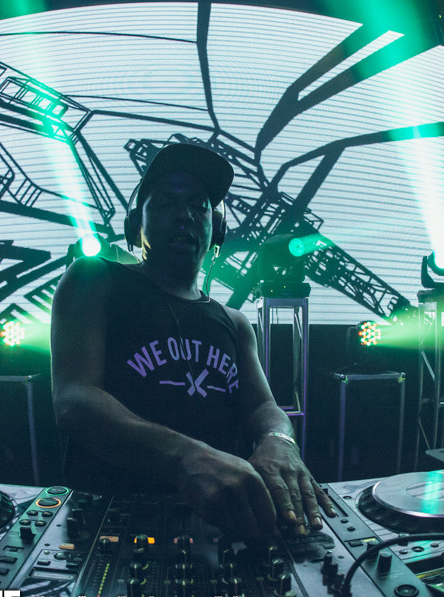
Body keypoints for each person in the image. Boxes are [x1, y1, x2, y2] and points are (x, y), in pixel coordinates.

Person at [50, 142, 335, 543]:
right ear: (136, 225)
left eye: (199, 205)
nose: (184, 215)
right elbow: (74, 398)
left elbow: (264, 407)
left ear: (216, 229)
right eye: (166, 202)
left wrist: (279, 440)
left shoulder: (235, 322)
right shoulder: (94, 279)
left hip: (222, 524)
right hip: (115, 519)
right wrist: (186, 457)